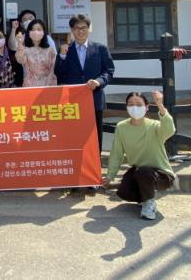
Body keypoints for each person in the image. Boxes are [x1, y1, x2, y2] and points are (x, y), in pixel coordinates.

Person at [103, 91, 175, 220]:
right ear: (126, 107)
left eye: (139, 104)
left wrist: (160, 106)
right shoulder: (121, 127)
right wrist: (110, 176)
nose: (134, 107)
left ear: (146, 107)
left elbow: (169, 130)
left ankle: (149, 204)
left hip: (162, 175)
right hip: (138, 171)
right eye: (131, 104)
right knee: (124, 192)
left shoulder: (154, 126)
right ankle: (145, 197)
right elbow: (117, 153)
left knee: (144, 172)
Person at [55, 14, 115, 153]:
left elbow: (109, 71)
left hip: (94, 98)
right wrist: (62, 56)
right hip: (72, 101)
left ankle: (96, 163)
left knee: (95, 135)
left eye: (83, 27)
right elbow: (59, 74)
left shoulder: (100, 48)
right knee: (75, 134)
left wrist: (98, 81)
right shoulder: (66, 50)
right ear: (72, 30)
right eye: (77, 28)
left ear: (89, 29)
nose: (80, 31)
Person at [15, 19, 57, 87]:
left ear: (44, 32)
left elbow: (52, 69)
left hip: (47, 85)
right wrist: (20, 43)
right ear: (28, 32)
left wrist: (48, 84)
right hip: (29, 86)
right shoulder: (25, 50)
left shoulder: (50, 50)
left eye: (39, 29)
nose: (36, 32)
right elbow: (20, 60)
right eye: (33, 29)